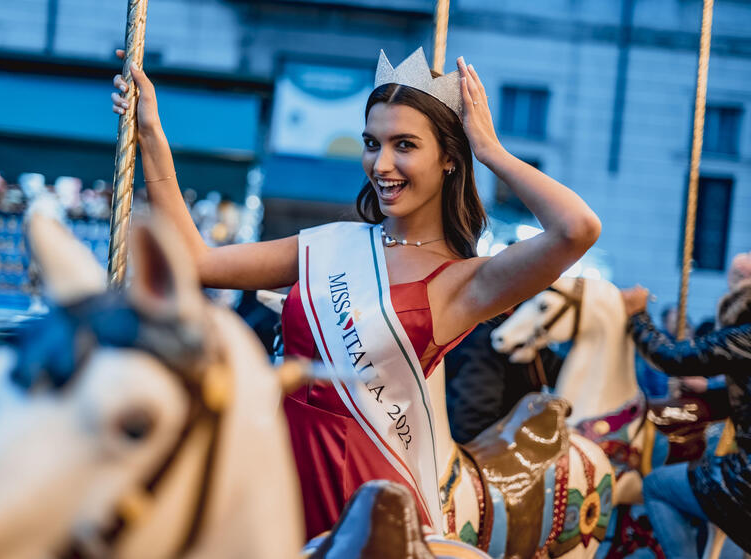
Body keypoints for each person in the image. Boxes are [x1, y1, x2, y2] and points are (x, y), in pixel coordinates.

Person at [110, 47, 601, 538]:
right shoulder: (329, 245)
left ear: (450, 157)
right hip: (274, 479)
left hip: (361, 507)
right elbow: (198, 264)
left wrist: (490, 150)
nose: (381, 163)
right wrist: (151, 134)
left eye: (404, 145)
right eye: (372, 142)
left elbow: (576, 228)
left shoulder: (465, 282)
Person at [621, 279, 751, 557]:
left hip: (746, 480)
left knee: (656, 485)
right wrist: (709, 388)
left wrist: (637, 316)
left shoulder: (744, 335)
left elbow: (671, 358)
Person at [444, 309, 563, 444]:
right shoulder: (485, 331)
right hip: (487, 444)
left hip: (507, 435)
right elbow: (471, 418)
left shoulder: (520, 327)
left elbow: (555, 369)